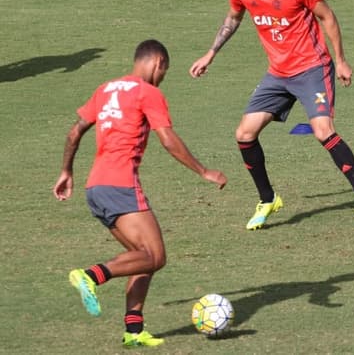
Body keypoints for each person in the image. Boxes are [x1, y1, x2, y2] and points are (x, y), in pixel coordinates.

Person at [189, 0, 354, 231]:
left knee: (323, 131)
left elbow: (327, 17)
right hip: (278, 74)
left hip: (312, 68)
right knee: (244, 133)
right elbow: (233, 19)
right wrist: (210, 54)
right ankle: (268, 199)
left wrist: (340, 60)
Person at [53, 40, 227, 347]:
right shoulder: (149, 93)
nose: (162, 78)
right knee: (155, 256)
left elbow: (74, 132)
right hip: (120, 185)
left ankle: (133, 331)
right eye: (165, 72)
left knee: (141, 258)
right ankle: (90, 276)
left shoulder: (105, 89)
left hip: (95, 188)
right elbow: (168, 139)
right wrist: (203, 171)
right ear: (157, 62)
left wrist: (66, 171)